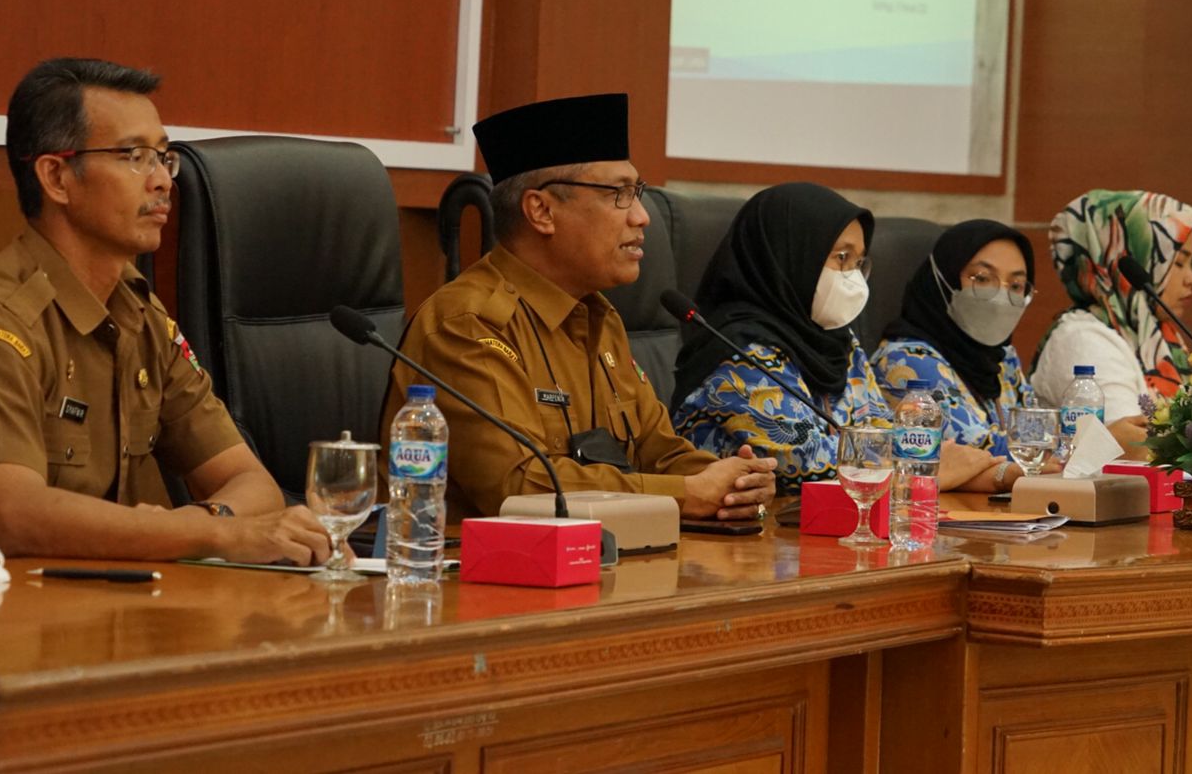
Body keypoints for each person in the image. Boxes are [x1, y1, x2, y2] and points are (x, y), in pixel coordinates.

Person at [0, 58, 331, 564]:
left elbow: (251, 482)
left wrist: (209, 523)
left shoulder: (140, 313)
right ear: (56, 178)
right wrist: (214, 534)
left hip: (91, 597)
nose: (163, 181)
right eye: (135, 156)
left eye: (164, 157)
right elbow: (17, 517)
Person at [381, 93, 776, 521]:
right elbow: (519, 487)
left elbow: (658, 452)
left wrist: (734, 482)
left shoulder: (600, 317)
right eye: (619, 194)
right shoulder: (468, 325)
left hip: (609, 551)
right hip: (473, 559)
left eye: (637, 193)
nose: (641, 216)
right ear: (541, 211)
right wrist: (687, 494)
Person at [669, 184, 1007, 495]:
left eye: (859, 262)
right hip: (742, 536)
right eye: (842, 258)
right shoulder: (738, 353)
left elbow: (882, 431)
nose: (853, 277)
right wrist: (927, 468)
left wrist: (994, 474)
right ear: (792, 255)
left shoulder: (840, 345)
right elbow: (804, 463)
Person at [1031, 188, 1192, 440]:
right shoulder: (1083, 339)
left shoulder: (1160, 339)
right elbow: (1132, 446)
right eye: (1178, 262)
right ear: (1127, 260)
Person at [871, 221, 1037, 477]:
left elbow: (1038, 433)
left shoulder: (1003, 359)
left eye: (1015, 286)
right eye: (983, 279)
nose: (1000, 296)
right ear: (944, 279)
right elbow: (974, 452)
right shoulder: (906, 361)